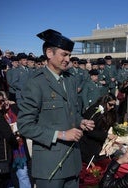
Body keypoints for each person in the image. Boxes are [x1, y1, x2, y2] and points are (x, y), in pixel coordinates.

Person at [17, 29, 95, 188]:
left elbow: (72, 112)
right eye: (64, 54)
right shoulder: (35, 83)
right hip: (49, 166)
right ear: (49, 53)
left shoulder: (70, 80)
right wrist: (61, 134)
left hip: (72, 162)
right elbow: (25, 126)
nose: (68, 59)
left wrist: (81, 121)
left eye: (69, 55)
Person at [80, 93, 117, 164]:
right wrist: (106, 135)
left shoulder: (108, 111)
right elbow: (89, 131)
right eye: (110, 104)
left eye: (114, 105)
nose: (112, 107)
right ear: (104, 102)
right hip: (88, 146)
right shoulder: (94, 111)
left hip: (98, 146)